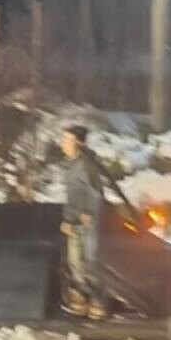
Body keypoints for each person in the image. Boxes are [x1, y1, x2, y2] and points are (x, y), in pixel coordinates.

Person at [58, 125, 107, 320]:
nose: (63, 144)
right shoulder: (69, 166)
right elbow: (73, 196)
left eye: (67, 140)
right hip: (74, 221)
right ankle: (82, 298)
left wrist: (88, 213)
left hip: (87, 222)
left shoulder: (86, 165)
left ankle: (97, 301)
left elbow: (95, 192)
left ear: (78, 143)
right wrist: (67, 219)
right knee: (75, 261)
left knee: (89, 261)